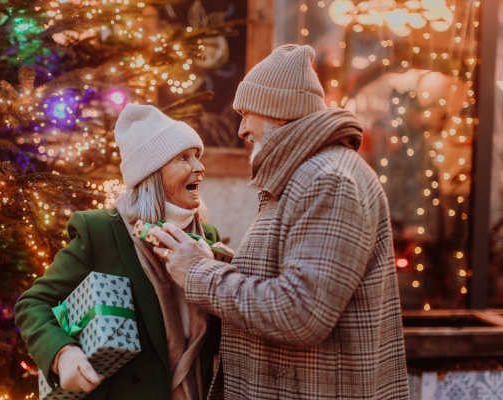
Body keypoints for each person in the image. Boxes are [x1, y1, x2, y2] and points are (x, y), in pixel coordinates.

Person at [151, 44, 410, 399]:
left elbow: (301, 312)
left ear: (279, 112)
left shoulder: (328, 180)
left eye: (248, 114)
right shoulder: (301, 174)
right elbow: (286, 276)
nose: (242, 130)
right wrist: (219, 261)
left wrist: (198, 274)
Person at [15, 104, 228, 400]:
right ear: (153, 173)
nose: (199, 167)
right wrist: (62, 353)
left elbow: (219, 338)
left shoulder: (208, 239)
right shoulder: (101, 231)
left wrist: (214, 275)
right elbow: (33, 304)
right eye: (183, 158)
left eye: (197, 156)